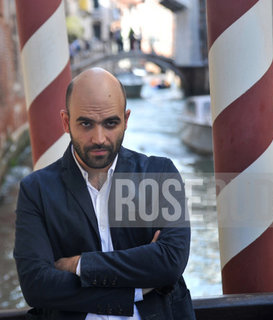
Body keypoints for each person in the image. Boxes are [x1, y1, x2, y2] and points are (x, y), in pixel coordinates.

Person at [14, 68, 195, 320]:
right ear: (66, 122)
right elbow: (36, 286)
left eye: (110, 123)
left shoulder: (159, 173)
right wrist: (136, 289)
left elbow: (170, 261)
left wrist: (79, 265)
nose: (99, 138)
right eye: (86, 123)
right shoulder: (36, 190)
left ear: (126, 120)